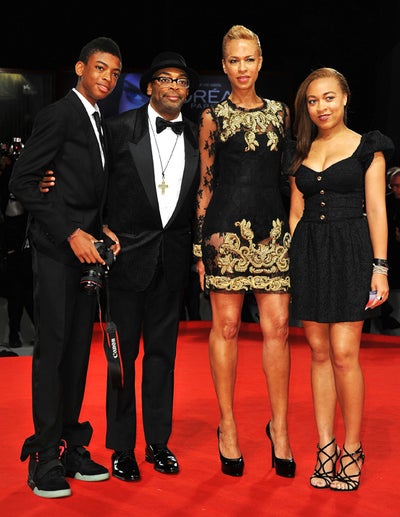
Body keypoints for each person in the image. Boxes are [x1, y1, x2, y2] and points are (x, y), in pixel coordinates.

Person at [8, 37, 122, 499]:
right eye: (100, 68)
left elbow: (85, 188)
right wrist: (70, 231)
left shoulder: (99, 123)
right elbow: (22, 181)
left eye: (114, 72)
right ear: (80, 68)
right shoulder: (60, 114)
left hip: (87, 254)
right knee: (53, 353)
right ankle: (44, 456)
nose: (107, 78)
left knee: (77, 353)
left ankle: (72, 445)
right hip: (58, 253)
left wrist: (102, 227)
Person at [193, 25, 295, 478]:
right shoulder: (212, 116)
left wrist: (294, 232)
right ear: (223, 65)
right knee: (228, 327)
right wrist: (199, 249)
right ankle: (228, 425)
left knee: (279, 329)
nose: (242, 68)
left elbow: (289, 177)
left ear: (260, 61)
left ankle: (280, 428)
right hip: (224, 236)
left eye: (248, 59)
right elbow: (205, 185)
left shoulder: (281, 113)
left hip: (272, 233)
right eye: (233, 60)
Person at [288, 67, 394, 491]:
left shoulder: (369, 147)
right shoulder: (300, 149)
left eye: (329, 97)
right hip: (309, 253)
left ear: (345, 97)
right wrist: (294, 261)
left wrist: (380, 267)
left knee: (345, 353)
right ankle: (325, 446)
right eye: (313, 101)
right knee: (318, 352)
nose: (321, 107)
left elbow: (378, 209)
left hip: (352, 250)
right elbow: (295, 211)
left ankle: (352, 448)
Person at [101, 51, 200, 482]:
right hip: (126, 258)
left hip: (172, 261)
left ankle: (158, 442)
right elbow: (96, 185)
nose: (174, 86)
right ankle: (122, 447)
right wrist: (99, 227)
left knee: (162, 358)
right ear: (149, 87)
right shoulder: (119, 129)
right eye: (166, 79)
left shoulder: (196, 136)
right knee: (121, 359)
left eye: (181, 81)